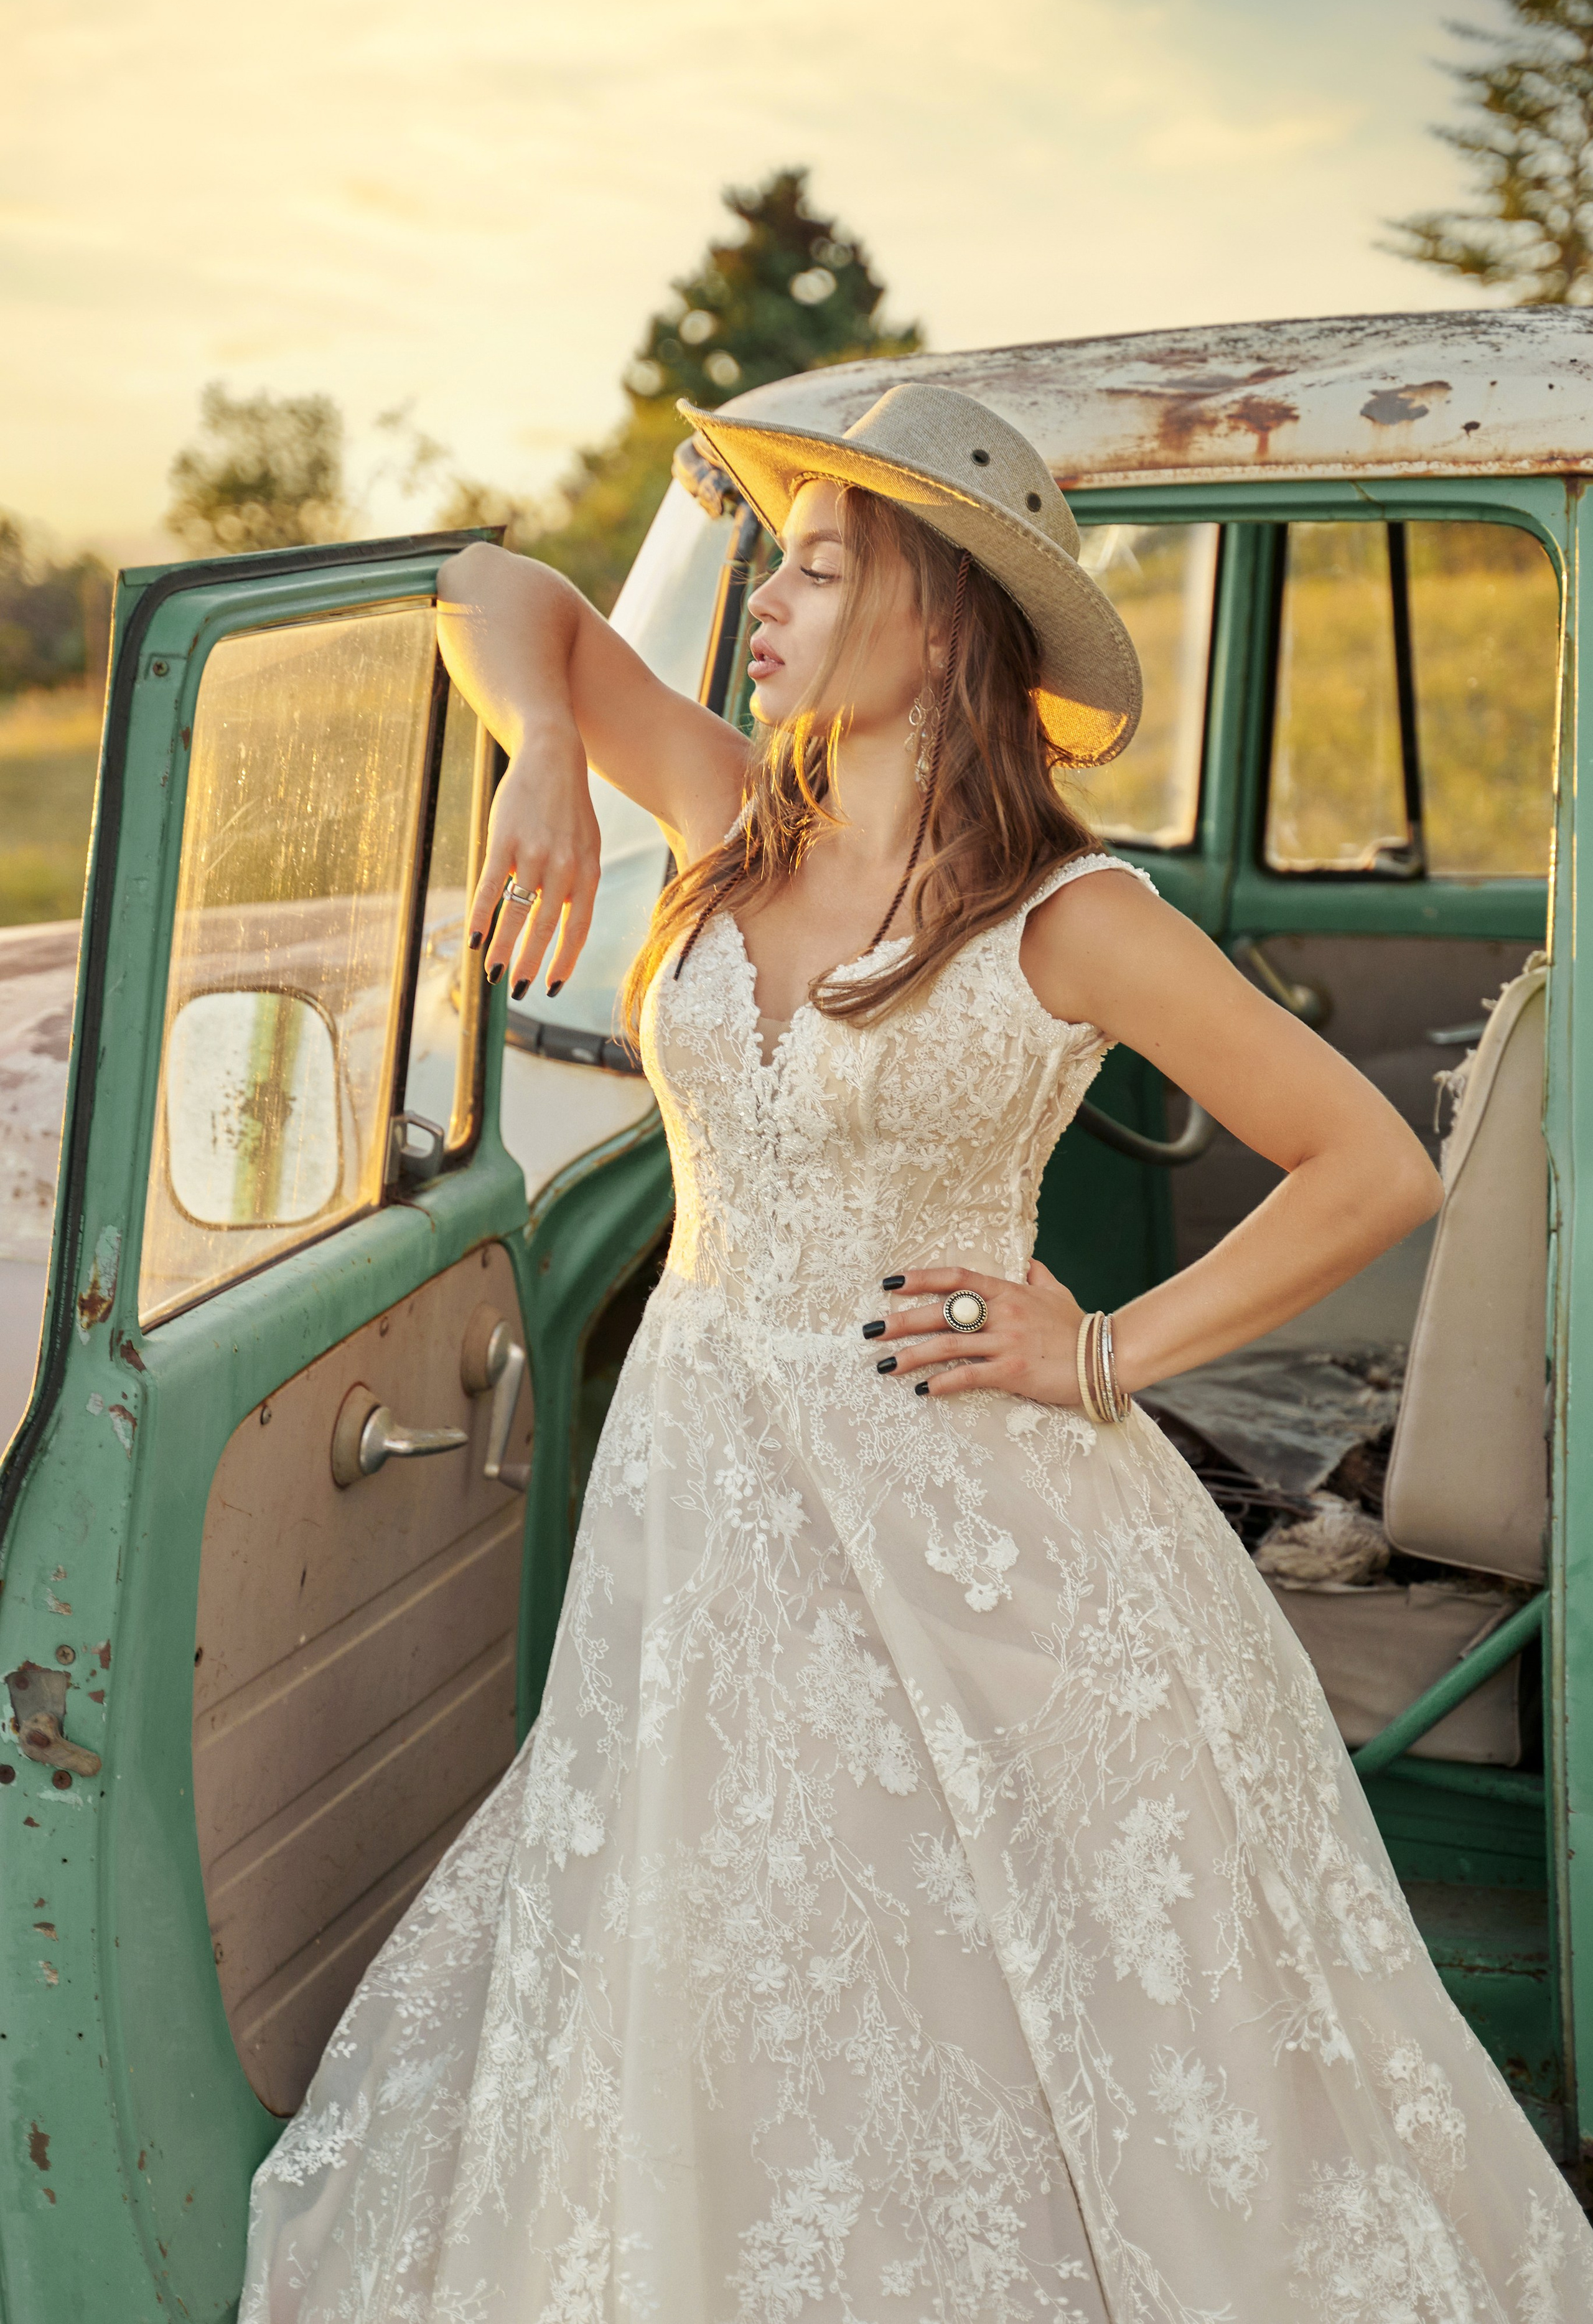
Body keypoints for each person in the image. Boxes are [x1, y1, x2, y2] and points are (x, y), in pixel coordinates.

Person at [240, 384, 1593, 2322]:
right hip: (702, 1495)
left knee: (985, 1994)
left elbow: (1368, 1162)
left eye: (816, 563)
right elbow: (492, 583)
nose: (768, 604)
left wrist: (1109, 1347)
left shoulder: (1075, 915)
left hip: (971, 1540)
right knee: (717, 1950)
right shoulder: (726, 808)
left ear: (942, 617)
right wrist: (547, 742)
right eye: (772, 561)